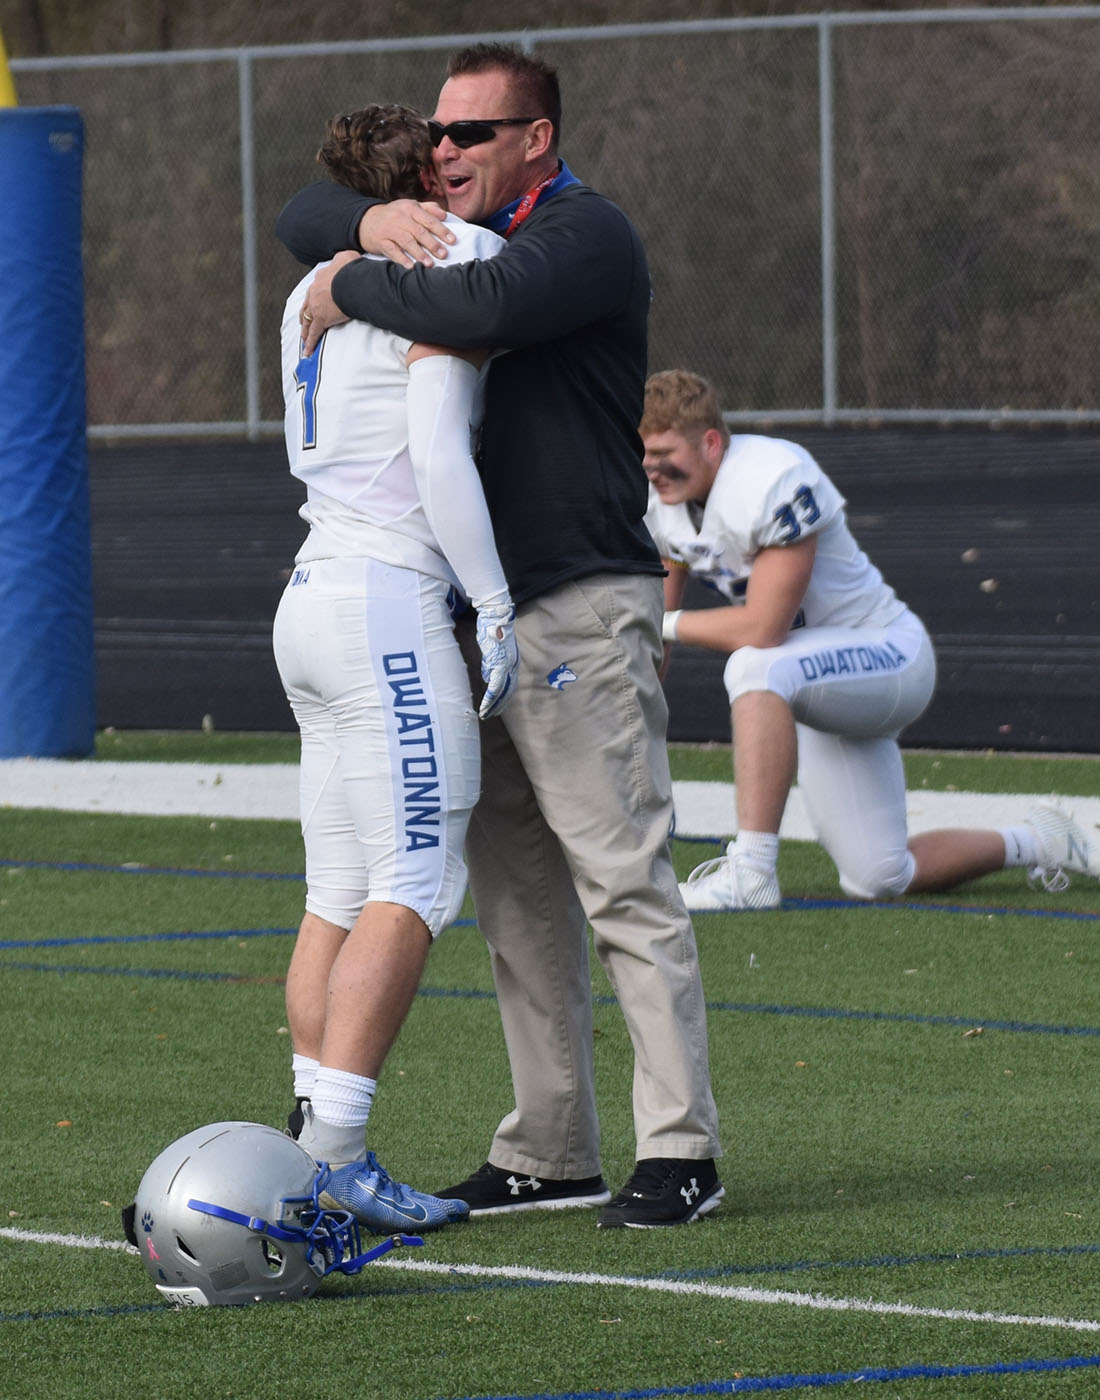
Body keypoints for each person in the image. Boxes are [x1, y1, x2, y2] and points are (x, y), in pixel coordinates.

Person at [276, 43, 723, 1229]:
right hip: (458, 612)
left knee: (620, 877)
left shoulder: (582, 234)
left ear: (538, 138)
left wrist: (345, 279)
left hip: (570, 594)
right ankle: (550, 1142)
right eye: (435, 133)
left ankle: (680, 1144)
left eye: (474, 132)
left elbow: (485, 306)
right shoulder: (419, 229)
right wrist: (363, 235)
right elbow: (301, 208)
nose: (445, 149)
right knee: (515, 896)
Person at [272, 103, 520, 1235]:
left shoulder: (310, 282)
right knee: (414, 881)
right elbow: (434, 445)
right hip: (385, 599)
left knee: (336, 888)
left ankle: (307, 1137)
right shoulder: (454, 249)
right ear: (426, 172)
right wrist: (495, 597)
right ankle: (333, 1160)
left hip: (311, 590)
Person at [640, 369, 1100, 911]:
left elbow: (762, 628)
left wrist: (659, 625)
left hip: (886, 656)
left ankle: (751, 870)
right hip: (814, 677)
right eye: (645, 453)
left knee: (753, 664)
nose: (652, 467)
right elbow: (658, 626)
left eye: (665, 452)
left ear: (711, 442)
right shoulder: (661, 502)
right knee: (880, 876)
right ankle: (1044, 840)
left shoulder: (770, 475)